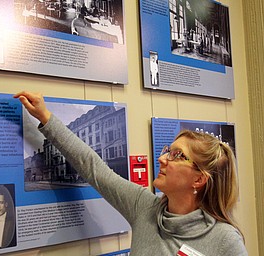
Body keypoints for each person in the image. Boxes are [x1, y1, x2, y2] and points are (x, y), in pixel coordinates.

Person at [13, 91, 247, 255]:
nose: (162, 158)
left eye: (177, 155)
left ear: (199, 178)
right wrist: (46, 118)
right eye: (168, 150)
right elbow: (92, 166)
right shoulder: (144, 208)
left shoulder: (225, 241)